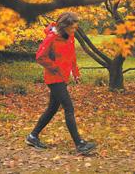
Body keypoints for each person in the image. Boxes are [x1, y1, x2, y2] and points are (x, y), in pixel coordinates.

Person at [25, 12, 97, 155]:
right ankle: (79, 144)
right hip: (54, 78)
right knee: (69, 108)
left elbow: (72, 56)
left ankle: (32, 136)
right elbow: (40, 57)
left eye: (75, 28)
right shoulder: (51, 38)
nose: (74, 31)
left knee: (52, 108)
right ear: (64, 26)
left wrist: (75, 72)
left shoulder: (70, 37)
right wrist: (55, 67)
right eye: (72, 28)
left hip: (63, 78)